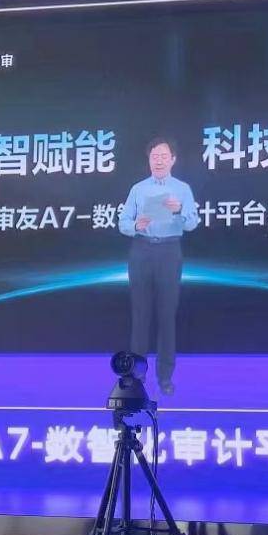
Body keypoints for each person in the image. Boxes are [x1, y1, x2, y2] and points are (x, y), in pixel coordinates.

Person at [118, 137, 198, 394]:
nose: (159, 161)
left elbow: (192, 223)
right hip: (141, 250)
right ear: (149, 160)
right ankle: (136, 375)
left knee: (166, 316)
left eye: (164, 156)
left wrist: (179, 210)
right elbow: (122, 222)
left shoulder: (183, 189)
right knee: (140, 315)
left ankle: (165, 377)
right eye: (155, 156)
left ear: (173, 160)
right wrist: (135, 225)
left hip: (169, 252)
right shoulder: (138, 189)